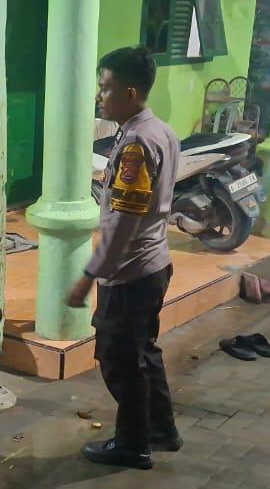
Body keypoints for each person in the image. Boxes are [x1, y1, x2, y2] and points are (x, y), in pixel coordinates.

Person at [68, 46, 182, 470]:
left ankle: (134, 444)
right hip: (153, 264)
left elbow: (125, 222)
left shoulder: (137, 142)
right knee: (143, 354)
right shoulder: (160, 131)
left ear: (130, 92)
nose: (100, 96)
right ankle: (161, 429)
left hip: (130, 271)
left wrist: (89, 275)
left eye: (105, 88)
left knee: (120, 362)